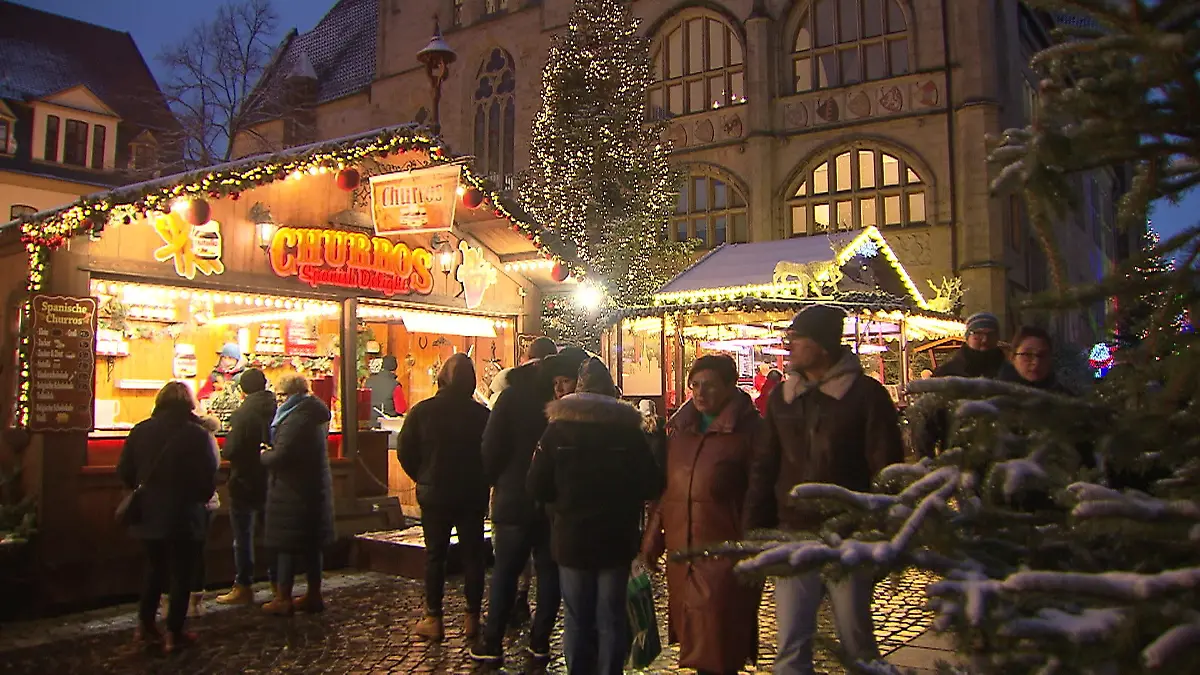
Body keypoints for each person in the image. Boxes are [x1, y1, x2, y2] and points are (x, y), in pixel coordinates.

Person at [744, 305, 905, 675]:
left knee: (856, 641)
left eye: (798, 339)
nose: (790, 346)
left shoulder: (865, 395)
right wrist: (754, 529)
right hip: (793, 531)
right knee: (790, 643)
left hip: (848, 536)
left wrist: (881, 532)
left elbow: (887, 470)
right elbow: (764, 465)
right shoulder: (784, 397)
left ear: (822, 345)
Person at [528, 358, 664, 675]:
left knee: (577, 617)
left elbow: (535, 484)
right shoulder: (629, 434)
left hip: (571, 538)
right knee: (611, 616)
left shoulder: (557, 431)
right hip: (616, 539)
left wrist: (560, 504)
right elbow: (650, 483)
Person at [641, 355, 764, 675]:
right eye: (694, 385)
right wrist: (653, 538)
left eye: (709, 385)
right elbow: (669, 490)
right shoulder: (681, 430)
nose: (700, 392)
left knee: (719, 643)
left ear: (729, 386)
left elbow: (760, 492)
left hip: (725, 552)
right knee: (697, 640)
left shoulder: (750, 432)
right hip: (684, 552)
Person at [471, 342, 587, 665]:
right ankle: (540, 641)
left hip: (514, 499)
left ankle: (492, 641)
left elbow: (490, 448)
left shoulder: (511, 398)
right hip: (553, 503)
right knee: (549, 572)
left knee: (506, 571)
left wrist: (497, 480)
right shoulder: (568, 404)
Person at [117, 381, 217, 653]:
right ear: (189, 403)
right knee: (182, 574)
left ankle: (145, 626)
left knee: (154, 569)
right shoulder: (197, 435)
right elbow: (208, 478)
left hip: (148, 513)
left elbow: (124, 470)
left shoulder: (140, 430)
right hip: (184, 514)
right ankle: (174, 632)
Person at [399, 354, 491, 641]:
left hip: (435, 492)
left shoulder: (422, 411)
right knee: (473, 556)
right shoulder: (482, 415)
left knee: (435, 556)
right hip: (471, 493)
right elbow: (493, 453)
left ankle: (433, 617)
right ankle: (472, 618)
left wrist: (423, 475)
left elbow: (405, 451)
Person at [261, 373, 335, 616]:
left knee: (287, 546)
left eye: (281, 395)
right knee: (312, 546)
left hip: (293, 491)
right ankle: (314, 594)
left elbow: (282, 455)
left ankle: (283, 597)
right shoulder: (314, 414)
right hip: (313, 488)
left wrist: (264, 455)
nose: (279, 400)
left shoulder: (295, 418)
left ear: (289, 394)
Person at [216, 368, 277, 605]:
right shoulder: (277, 408)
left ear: (242, 389)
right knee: (271, 533)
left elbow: (231, 450)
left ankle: (244, 585)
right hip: (271, 478)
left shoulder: (243, 413)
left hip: (245, 480)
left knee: (243, 536)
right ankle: (277, 584)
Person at [914, 312, 1006, 458]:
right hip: (957, 457)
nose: (984, 340)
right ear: (967, 337)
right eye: (978, 334)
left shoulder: (1008, 373)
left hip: (1002, 458)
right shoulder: (948, 374)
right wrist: (926, 460)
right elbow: (927, 421)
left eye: (990, 334)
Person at [997, 325, 1072, 394]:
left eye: (1042, 355)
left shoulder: (1067, 400)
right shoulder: (994, 396)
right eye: (1027, 355)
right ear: (1013, 357)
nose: (1036, 362)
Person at [365, 355, 409, 426]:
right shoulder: (395, 385)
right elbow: (401, 409)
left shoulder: (368, 381)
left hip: (368, 424)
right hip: (386, 425)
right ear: (395, 368)